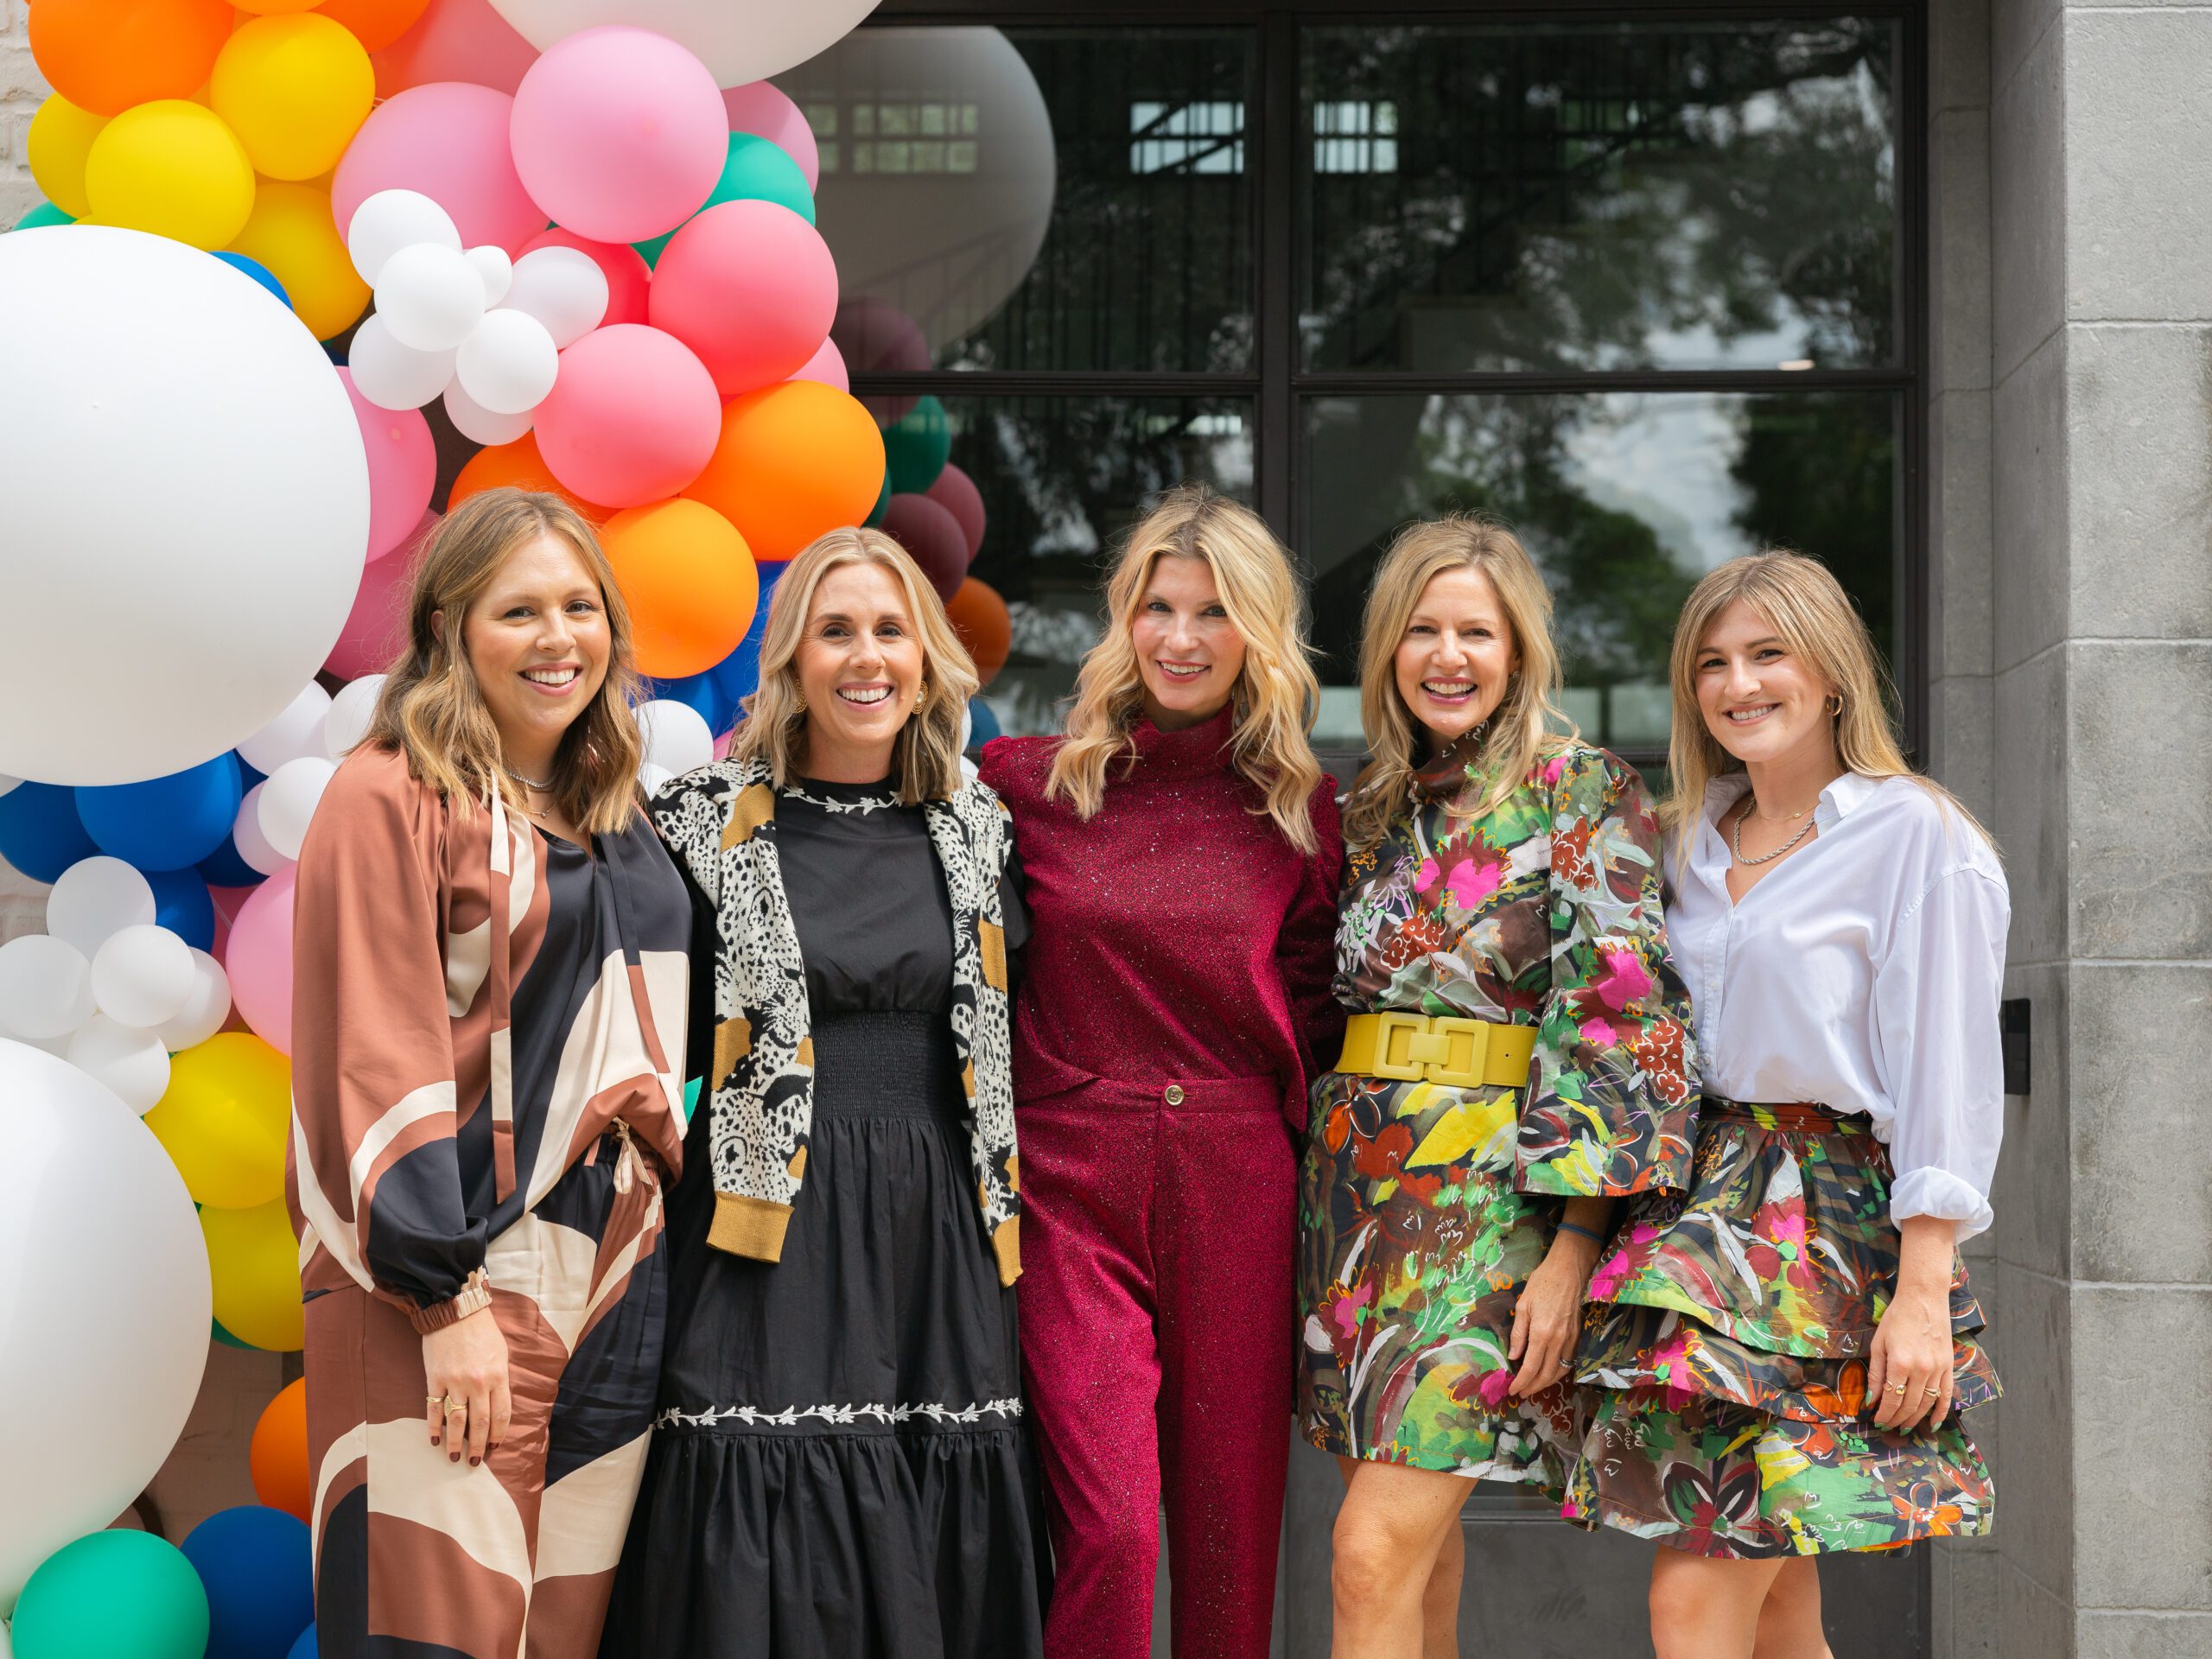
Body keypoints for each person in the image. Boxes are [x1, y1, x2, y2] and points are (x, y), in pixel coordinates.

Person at [604, 527, 1046, 1659]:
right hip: (767, 1221)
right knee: (763, 1484)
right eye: (835, 630)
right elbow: (634, 1037)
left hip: (942, 1216)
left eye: (890, 631)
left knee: (932, 1500)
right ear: (792, 658)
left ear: (926, 655)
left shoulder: (977, 828)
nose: (866, 658)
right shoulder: (699, 820)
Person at [1567, 550, 2007, 1658]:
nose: (1738, 684)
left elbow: (1945, 1070)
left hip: (1830, 1230)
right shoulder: (1682, 842)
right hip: (1697, 1219)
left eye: (1768, 653)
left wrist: (1923, 1288)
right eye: (1712, 663)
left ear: (1832, 673)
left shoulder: (1913, 834)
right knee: (1777, 1606)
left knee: (1696, 1594)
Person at [289, 488, 693, 1659]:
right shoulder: (388, 795)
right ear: (452, 629)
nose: (558, 637)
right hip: (453, 1267)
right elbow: (371, 1049)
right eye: (520, 610)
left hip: (618, 1267)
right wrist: (443, 1297)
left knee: (560, 1633)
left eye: (580, 607)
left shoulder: (614, 812)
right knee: (438, 1630)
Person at [1298, 517, 1699, 1658]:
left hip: (1491, 1212)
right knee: (1414, 1560)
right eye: (1421, 630)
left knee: (1371, 1553)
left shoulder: (1580, 798)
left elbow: (1622, 1018)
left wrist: (1576, 1247)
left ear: (1519, 649)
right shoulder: (1375, 807)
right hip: (1353, 1211)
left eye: (1476, 630)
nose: (1447, 654)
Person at [977, 485, 1343, 1659]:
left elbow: (1321, 1007)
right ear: (1123, 619)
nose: (1181, 638)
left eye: (1214, 613)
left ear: (1260, 636)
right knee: (1117, 1530)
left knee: (1231, 1547)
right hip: (1073, 1176)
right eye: (1159, 606)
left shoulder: (1299, 811)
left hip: (1239, 1179)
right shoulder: (1028, 784)